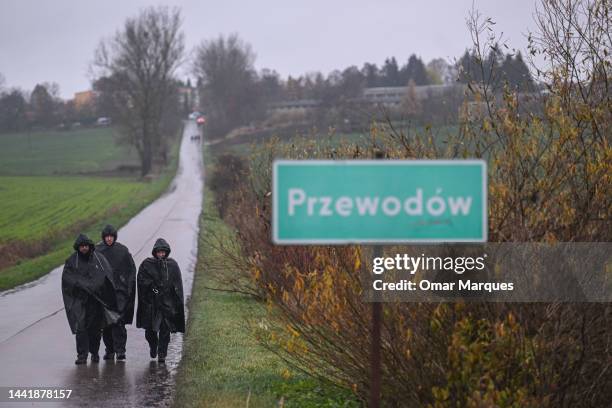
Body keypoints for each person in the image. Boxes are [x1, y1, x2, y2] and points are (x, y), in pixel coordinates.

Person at [62, 234, 118, 365]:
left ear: (89, 246)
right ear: (78, 247)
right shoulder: (72, 261)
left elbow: (107, 275)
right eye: (81, 246)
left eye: (86, 246)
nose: (84, 248)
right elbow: (68, 279)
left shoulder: (98, 258)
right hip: (79, 301)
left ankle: (94, 353)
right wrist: (82, 285)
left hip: (96, 301)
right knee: (81, 328)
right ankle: (82, 355)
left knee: (95, 329)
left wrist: (96, 288)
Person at [136, 238, 185, 363]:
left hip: (167, 304)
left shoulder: (172, 265)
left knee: (165, 330)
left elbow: (177, 284)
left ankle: (162, 354)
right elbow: (141, 281)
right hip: (152, 305)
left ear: (167, 252)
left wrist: (176, 303)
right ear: (155, 252)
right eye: (159, 252)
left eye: (163, 252)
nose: (161, 254)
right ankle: (153, 345)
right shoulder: (147, 264)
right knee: (150, 332)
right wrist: (152, 288)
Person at [95, 224, 136, 361]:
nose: (109, 239)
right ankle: (110, 350)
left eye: (111, 237)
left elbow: (131, 269)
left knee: (118, 322)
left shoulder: (122, 251)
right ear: (103, 237)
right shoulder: (97, 251)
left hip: (119, 293)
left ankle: (120, 351)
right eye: (106, 237)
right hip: (104, 293)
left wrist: (126, 287)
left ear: (114, 237)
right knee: (106, 324)